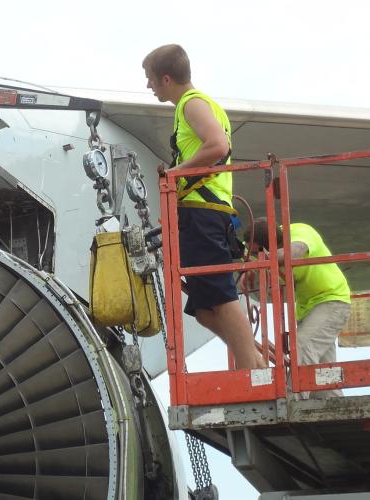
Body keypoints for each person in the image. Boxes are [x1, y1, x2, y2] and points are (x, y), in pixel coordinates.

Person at [143, 44, 262, 369]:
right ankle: (256, 362)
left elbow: (218, 146)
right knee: (206, 311)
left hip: (204, 212)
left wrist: (175, 174)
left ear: (166, 78)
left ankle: (255, 373)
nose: (148, 85)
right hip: (201, 211)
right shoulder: (200, 105)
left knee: (220, 299)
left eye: (150, 78)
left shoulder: (192, 104)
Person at [242, 218, 351, 398]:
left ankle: (291, 403)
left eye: (256, 252)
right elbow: (249, 254)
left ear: (271, 246)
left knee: (301, 347)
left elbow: (293, 252)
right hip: (308, 309)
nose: (253, 255)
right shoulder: (260, 246)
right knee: (323, 373)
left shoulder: (301, 232)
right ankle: (337, 409)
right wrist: (249, 268)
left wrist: (259, 262)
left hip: (331, 301)